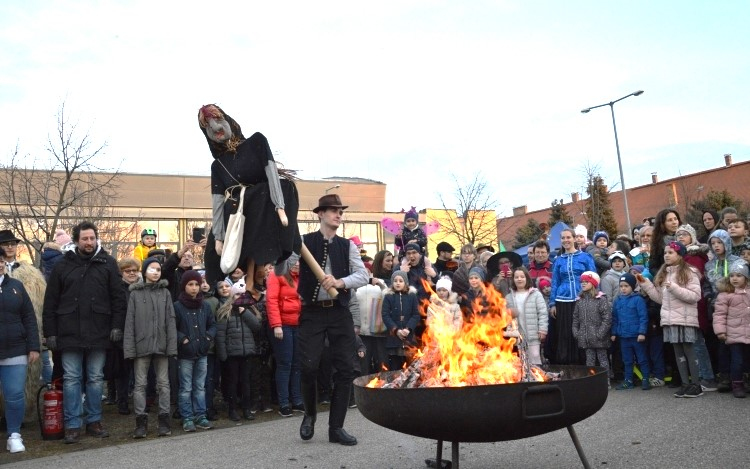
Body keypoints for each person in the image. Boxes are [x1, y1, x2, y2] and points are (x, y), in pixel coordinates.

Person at [277, 193, 368, 446]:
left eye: (340, 210)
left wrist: (340, 282)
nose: (338, 214)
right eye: (332, 210)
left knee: (345, 370)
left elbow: (363, 276)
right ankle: (309, 415)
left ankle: (336, 428)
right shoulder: (303, 242)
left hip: (339, 312)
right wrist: (283, 254)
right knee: (308, 366)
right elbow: (281, 272)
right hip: (312, 313)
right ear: (320, 214)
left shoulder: (347, 245)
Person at [42, 221, 126, 444]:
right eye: (84, 239)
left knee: (96, 378)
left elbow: (118, 299)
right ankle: (72, 424)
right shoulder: (62, 265)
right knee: (71, 379)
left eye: (92, 238)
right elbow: (50, 301)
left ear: (96, 239)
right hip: (68, 332)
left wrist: (117, 326)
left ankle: (94, 421)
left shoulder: (108, 263)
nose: (89, 242)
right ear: (77, 241)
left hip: (100, 331)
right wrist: (50, 332)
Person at [198, 104, 300, 285]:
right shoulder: (218, 165)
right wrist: (219, 237)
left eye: (218, 119)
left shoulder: (256, 142)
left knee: (287, 187)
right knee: (213, 254)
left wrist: (280, 206)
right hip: (238, 210)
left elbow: (271, 173)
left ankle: (281, 257)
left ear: (227, 119)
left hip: (265, 204)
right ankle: (217, 284)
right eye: (208, 126)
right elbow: (218, 203)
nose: (215, 127)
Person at [639, 241, 704, 398]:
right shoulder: (665, 273)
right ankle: (685, 384)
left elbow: (695, 296)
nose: (666, 255)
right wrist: (646, 285)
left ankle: (696, 384)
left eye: (670, 252)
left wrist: (674, 288)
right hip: (670, 319)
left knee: (689, 351)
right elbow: (661, 299)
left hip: (685, 319)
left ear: (680, 255)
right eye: (665, 253)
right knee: (678, 353)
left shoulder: (689, 272)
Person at [123, 257, 177, 438]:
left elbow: (170, 321)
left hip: (161, 346)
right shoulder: (135, 294)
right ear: (144, 272)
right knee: (140, 385)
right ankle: (141, 423)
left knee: (163, 384)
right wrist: (129, 349)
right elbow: (129, 323)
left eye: (158, 269)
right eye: (152, 269)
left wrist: (171, 347)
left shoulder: (165, 293)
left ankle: (164, 422)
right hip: (141, 347)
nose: (156, 272)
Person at [0, 260, 40, 453]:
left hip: (16, 349)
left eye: (0, 261)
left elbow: (29, 317)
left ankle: (14, 434)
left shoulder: (16, 286)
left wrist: (34, 346)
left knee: (15, 395)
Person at [675, 224, 716, 391]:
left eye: (685, 235)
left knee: (698, 343)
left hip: (695, 304)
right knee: (692, 343)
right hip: (685, 305)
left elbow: (693, 279)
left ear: (692, 237)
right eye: (678, 236)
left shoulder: (695, 256)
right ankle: (698, 376)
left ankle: (707, 377)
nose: (681, 238)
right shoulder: (682, 257)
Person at [174, 270, 216, 432]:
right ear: (184, 286)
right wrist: (182, 339)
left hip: (202, 352)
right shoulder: (177, 306)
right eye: (190, 284)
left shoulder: (204, 305)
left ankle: (200, 415)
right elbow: (172, 327)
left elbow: (212, 324)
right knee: (186, 387)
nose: (194, 288)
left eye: (196, 284)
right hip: (185, 354)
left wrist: (207, 338)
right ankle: (187, 417)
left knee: (200, 386)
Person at [549, 228, 596, 365]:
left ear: (575, 239)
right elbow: (555, 282)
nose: (565, 240)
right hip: (562, 300)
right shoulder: (558, 260)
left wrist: (592, 298)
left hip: (581, 298)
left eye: (568, 237)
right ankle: (566, 363)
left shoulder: (585, 257)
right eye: (563, 238)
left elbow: (593, 279)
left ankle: (584, 363)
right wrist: (552, 303)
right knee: (565, 333)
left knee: (581, 331)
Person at [215, 282, 261, 421]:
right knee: (232, 382)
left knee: (246, 382)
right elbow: (221, 335)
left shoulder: (250, 310)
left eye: (242, 294)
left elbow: (257, 327)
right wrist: (223, 355)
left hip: (247, 352)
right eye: (236, 294)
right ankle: (232, 409)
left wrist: (245, 312)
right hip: (231, 354)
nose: (239, 297)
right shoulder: (225, 311)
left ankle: (246, 409)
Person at [705, 229, 743, 392]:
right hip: (717, 306)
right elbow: (706, 284)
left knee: (739, 343)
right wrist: (708, 297)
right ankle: (725, 375)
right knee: (721, 342)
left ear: (726, 243)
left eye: (719, 242)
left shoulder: (737, 262)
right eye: (713, 243)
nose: (716, 246)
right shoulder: (709, 264)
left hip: (737, 307)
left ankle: (741, 376)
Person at [266, 261, 304, 418]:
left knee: (297, 364)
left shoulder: (302, 277)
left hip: (299, 324)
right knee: (284, 364)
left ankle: (297, 400)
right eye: (293, 262)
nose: (296, 264)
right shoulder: (276, 274)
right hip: (282, 325)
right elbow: (272, 300)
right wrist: (276, 325)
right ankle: (283, 402)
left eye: (299, 262)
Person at [713, 262, 750, 398]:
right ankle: (737, 384)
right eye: (732, 275)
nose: (735, 278)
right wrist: (720, 331)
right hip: (734, 334)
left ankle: (746, 381)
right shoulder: (725, 295)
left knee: (747, 360)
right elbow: (719, 315)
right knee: (737, 361)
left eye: (739, 275)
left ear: (746, 277)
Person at [611, 273, 651, 390]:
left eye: (626, 286)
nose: (623, 288)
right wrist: (614, 333)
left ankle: (645, 379)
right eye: (621, 286)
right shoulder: (617, 300)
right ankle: (628, 380)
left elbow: (643, 317)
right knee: (627, 360)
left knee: (642, 358)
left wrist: (642, 332)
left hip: (636, 335)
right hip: (623, 336)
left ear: (632, 287)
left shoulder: (638, 300)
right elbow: (615, 318)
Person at [571, 272, 612, 378]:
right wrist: (576, 332)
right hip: (585, 337)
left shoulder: (601, 299)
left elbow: (607, 318)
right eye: (582, 282)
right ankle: (591, 381)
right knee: (589, 361)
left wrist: (600, 334)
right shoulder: (580, 300)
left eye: (586, 282)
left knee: (603, 360)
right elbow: (575, 318)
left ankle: (605, 381)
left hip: (599, 338)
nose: (583, 284)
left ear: (593, 283)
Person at [504, 267, 547, 365]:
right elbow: (505, 316)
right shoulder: (509, 297)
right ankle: (525, 379)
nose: (519, 279)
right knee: (522, 359)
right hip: (518, 335)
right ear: (513, 280)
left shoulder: (535, 294)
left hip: (533, 333)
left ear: (527, 278)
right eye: (516, 277)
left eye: (522, 277)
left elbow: (543, 313)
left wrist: (543, 330)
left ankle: (537, 377)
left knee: (535, 356)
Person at [382, 271, 420, 371]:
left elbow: (416, 315)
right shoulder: (388, 296)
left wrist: (408, 329)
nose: (398, 283)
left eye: (400, 281)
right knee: (395, 366)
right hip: (393, 338)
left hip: (409, 338)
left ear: (405, 282)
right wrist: (396, 330)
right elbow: (385, 315)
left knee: (410, 367)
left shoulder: (412, 296)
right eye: (395, 281)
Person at [649, 209, 681, 275]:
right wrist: (663, 277)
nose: (674, 222)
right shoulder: (658, 243)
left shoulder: (686, 237)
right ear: (662, 224)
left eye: (675, 219)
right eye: (670, 220)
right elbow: (653, 267)